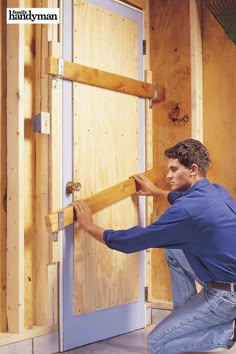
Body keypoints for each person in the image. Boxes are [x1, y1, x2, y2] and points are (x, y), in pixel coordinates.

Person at [73, 138, 236, 354]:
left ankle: (228, 332)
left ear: (193, 170)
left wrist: (89, 226)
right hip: (225, 278)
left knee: (157, 344)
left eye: (174, 169)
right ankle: (187, 319)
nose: (168, 175)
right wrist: (157, 192)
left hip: (226, 296)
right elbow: (183, 199)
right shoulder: (217, 190)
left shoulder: (186, 212)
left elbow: (130, 241)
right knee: (174, 249)